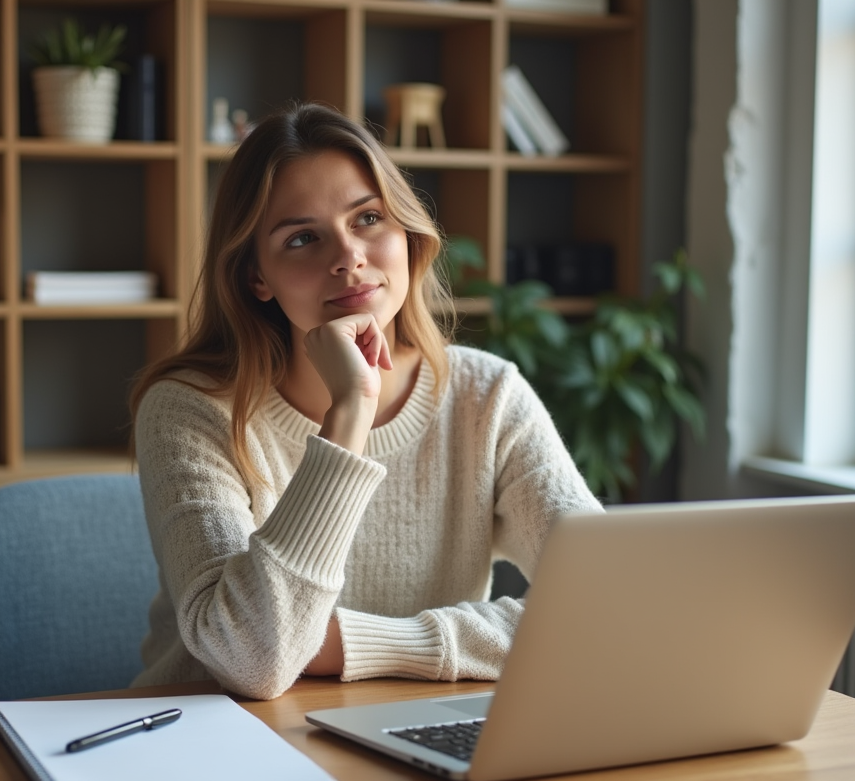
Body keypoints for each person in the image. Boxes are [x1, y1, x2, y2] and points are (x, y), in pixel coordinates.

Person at [128, 102, 601, 700]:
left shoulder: (487, 397)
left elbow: (606, 601)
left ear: (406, 233)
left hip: (417, 728)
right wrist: (349, 411)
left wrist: (353, 645)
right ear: (257, 278)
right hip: (217, 733)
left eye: (369, 218)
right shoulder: (190, 409)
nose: (348, 256)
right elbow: (252, 660)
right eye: (302, 237)